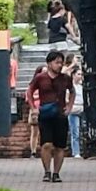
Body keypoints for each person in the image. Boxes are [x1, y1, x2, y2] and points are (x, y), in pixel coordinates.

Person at [27, 48, 74, 183]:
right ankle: (47, 171)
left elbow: (72, 91)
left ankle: (56, 173)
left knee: (60, 146)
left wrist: (69, 106)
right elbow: (30, 91)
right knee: (46, 144)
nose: (59, 65)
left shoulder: (65, 78)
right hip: (46, 114)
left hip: (60, 114)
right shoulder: (40, 78)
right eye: (56, 62)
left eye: (61, 63)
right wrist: (33, 108)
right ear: (49, 63)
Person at [66, 52, 84, 159]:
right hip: (74, 109)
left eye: (81, 74)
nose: (80, 76)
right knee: (75, 131)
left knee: (82, 131)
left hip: (82, 108)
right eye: (78, 74)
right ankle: (76, 152)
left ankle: (83, 150)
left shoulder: (82, 86)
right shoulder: (70, 86)